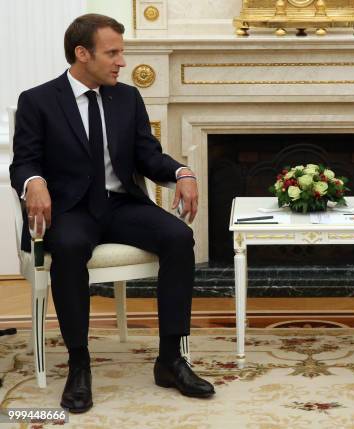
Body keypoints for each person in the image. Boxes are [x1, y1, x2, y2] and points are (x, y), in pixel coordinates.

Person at [9, 14, 215, 413]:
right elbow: (24, 161)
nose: (122, 62)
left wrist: (182, 171)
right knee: (68, 248)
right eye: (113, 53)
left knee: (178, 237)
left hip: (121, 205)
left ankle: (170, 359)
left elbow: (147, 155)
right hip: (70, 209)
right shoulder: (38, 100)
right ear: (82, 53)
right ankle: (79, 365)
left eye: (122, 52)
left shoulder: (127, 97)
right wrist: (34, 182)